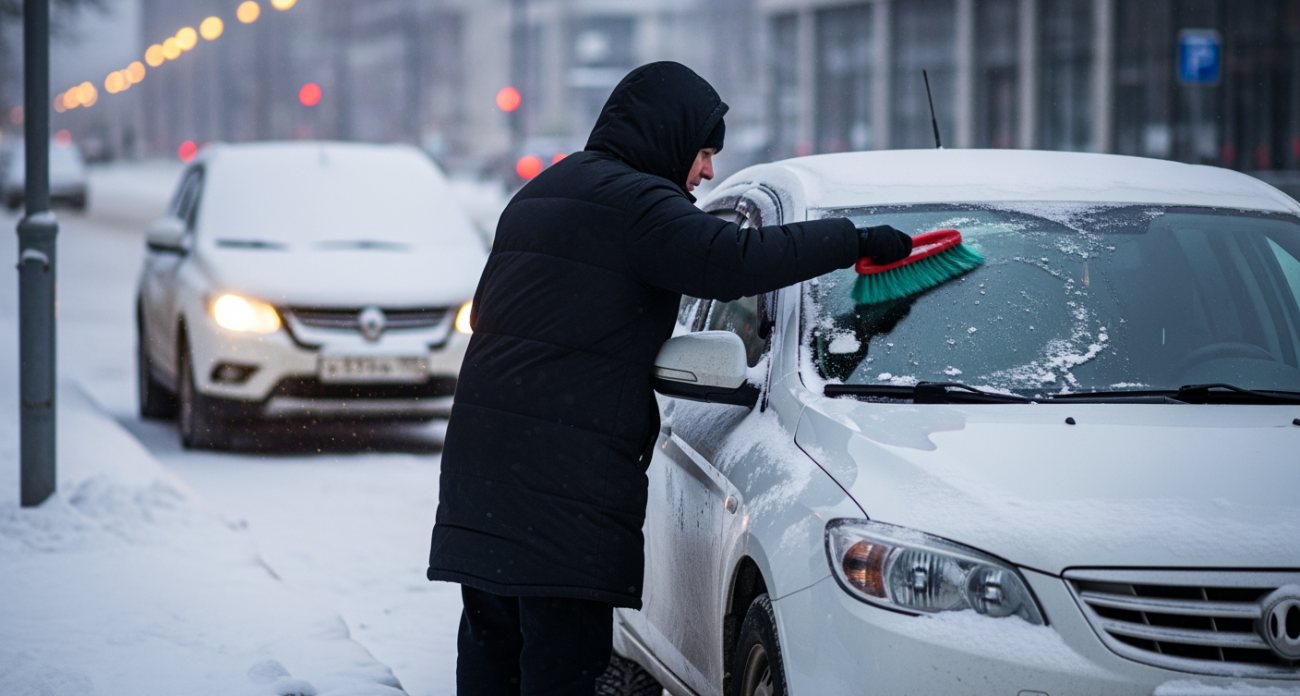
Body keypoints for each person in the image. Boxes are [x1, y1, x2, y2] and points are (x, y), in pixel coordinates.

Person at [427, 61, 912, 696]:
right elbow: (733, 260)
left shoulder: (541, 192)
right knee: (559, 665)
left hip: (483, 477)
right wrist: (854, 240)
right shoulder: (638, 207)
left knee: (491, 653)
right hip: (561, 491)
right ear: (668, 136)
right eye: (703, 152)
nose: (706, 172)